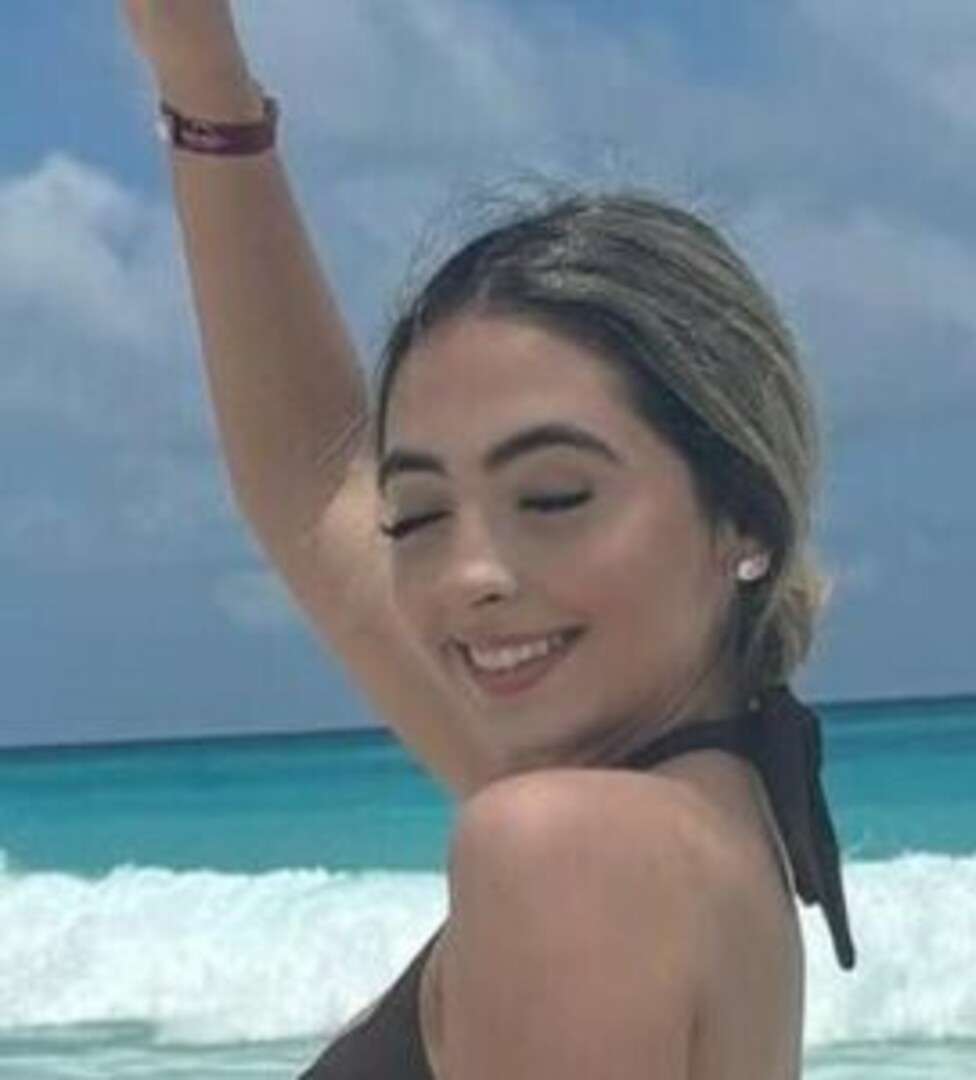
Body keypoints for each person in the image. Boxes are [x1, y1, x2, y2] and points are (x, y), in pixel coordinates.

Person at [123, 2, 855, 1076]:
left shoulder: (569, 853)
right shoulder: (698, 816)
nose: (468, 574)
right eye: (418, 514)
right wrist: (203, 80)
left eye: (553, 497)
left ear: (742, 514)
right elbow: (316, 482)